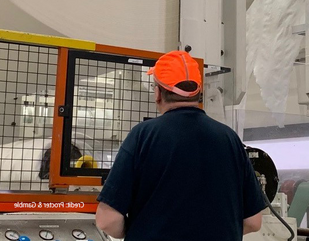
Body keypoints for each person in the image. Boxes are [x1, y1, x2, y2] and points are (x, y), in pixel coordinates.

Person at [95, 50, 266, 240]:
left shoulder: (143, 136)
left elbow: (107, 219)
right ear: (199, 92)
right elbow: (253, 221)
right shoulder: (230, 139)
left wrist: (140, 231)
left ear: (158, 93)